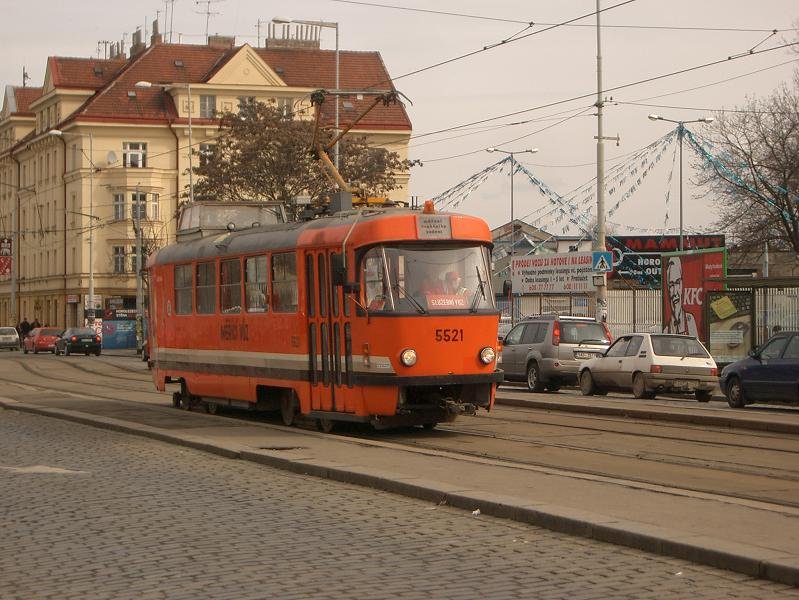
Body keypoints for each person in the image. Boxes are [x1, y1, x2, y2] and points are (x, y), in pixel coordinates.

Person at [664, 256, 698, 337]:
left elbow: (696, 348)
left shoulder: (689, 320)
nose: (675, 292)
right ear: (668, 288)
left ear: (682, 284)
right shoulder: (666, 330)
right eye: (671, 285)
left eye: (677, 282)